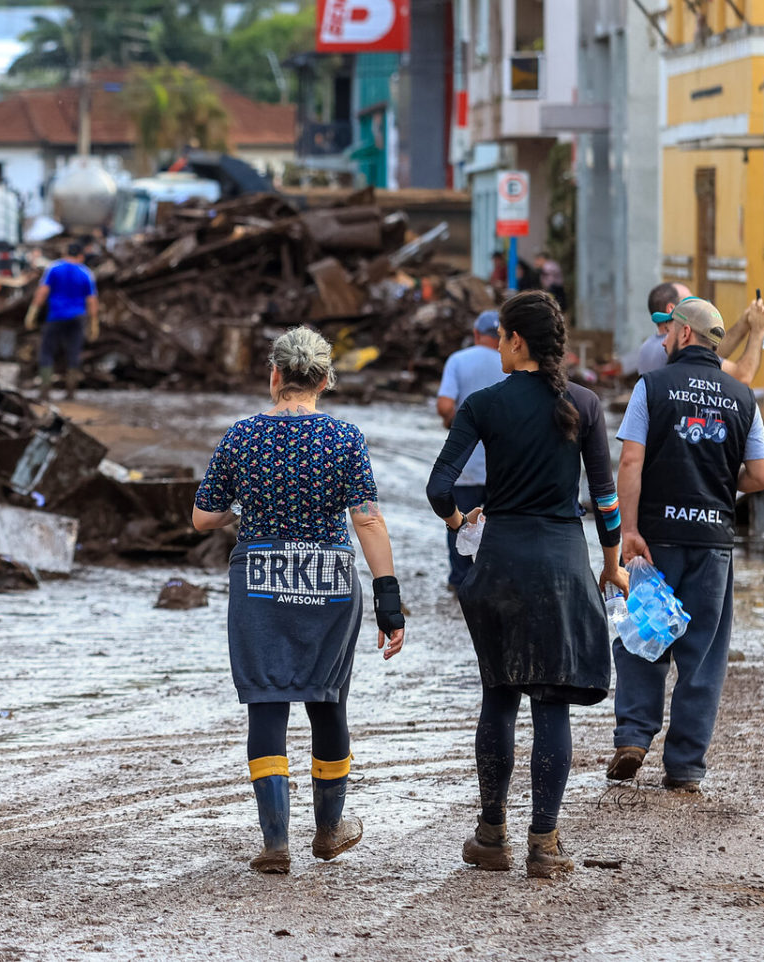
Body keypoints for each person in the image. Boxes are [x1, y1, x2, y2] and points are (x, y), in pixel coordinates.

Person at [426, 290, 626, 879]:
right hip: (564, 563)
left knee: (499, 694)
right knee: (553, 703)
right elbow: (606, 500)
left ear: (514, 341)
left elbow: (440, 487)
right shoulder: (584, 404)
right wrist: (611, 563)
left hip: (501, 562)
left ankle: (492, 836)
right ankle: (545, 842)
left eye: (502, 340)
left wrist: (461, 521)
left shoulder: (483, 404)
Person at [191, 326, 405, 875]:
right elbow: (368, 520)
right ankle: (330, 830)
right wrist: (389, 600)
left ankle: (275, 843)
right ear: (326, 380)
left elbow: (202, 517)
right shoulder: (344, 439)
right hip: (330, 580)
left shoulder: (242, 437)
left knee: (266, 702)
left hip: (259, 580)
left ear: (274, 377)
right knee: (327, 700)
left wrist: (247, 510)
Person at [608, 296, 764, 793]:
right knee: (702, 655)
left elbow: (630, 464)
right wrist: (722, 480)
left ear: (683, 334)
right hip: (712, 542)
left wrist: (627, 532)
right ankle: (684, 767)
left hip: (655, 539)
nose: (661, 339)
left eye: (667, 331)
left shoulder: (652, 387)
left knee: (644, 635)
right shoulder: (743, 397)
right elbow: (763, 476)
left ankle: (634, 737)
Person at [434, 310, 506, 589]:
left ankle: (461, 580)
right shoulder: (510, 362)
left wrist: (454, 421)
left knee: (460, 523)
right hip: (502, 465)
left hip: (465, 466)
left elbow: (444, 405)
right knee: (499, 525)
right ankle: (494, 579)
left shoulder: (459, 360)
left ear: (476, 334)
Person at [635, 281, 764, 385]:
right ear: (672, 309)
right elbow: (743, 376)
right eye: (690, 302)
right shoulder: (672, 346)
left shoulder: (649, 347)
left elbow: (710, 357)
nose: (697, 306)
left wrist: (743, 323)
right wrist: (758, 329)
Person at [23, 241, 99, 399]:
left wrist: (32, 312)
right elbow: (92, 300)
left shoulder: (54, 268)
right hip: (78, 317)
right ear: (81, 256)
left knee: (47, 351)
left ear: (66, 253)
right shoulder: (86, 273)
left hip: (56, 316)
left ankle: (45, 391)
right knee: (74, 352)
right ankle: (71, 392)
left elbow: (42, 292)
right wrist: (94, 323)